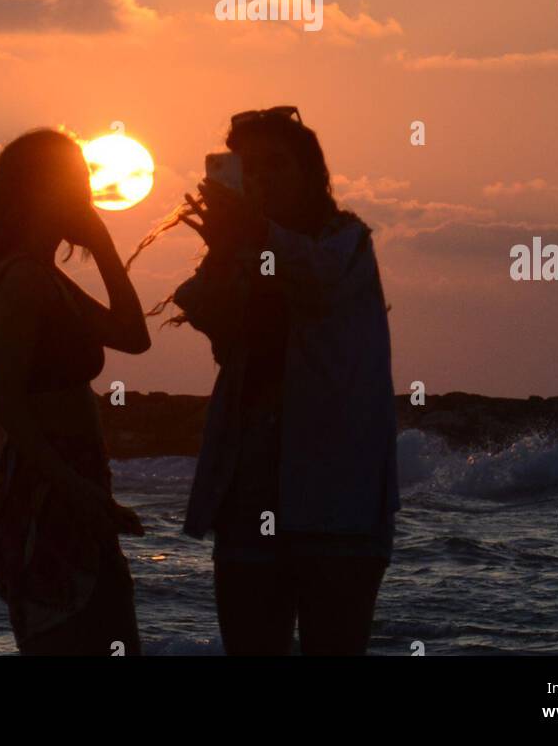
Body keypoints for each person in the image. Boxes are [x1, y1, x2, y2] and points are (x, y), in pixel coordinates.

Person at [158, 106, 399, 656]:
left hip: (340, 502)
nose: (262, 180)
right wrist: (225, 249)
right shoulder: (244, 252)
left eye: (275, 166)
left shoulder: (346, 241)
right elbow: (204, 310)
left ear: (309, 174)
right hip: (248, 494)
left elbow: (317, 274)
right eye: (249, 170)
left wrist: (254, 232)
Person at [0, 128, 150, 655]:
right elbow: (7, 402)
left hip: (72, 486)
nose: (87, 195)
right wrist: (77, 490)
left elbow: (133, 336)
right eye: (75, 182)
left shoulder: (45, 275)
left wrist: (104, 245)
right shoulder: (24, 280)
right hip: (46, 494)